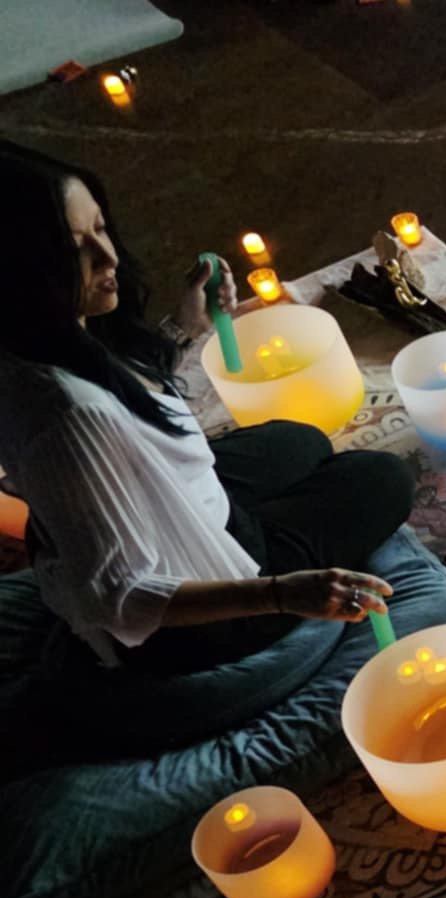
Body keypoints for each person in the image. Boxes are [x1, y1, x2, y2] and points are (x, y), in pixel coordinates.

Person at [0, 142, 414, 680]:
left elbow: (124, 394)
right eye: (75, 249)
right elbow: (121, 597)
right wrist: (285, 592)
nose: (109, 259)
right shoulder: (69, 418)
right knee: (379, 476)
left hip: (175, 502)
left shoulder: (32, 337)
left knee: (299, 439)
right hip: (198, 607)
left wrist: (184, 328)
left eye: (100, 228)